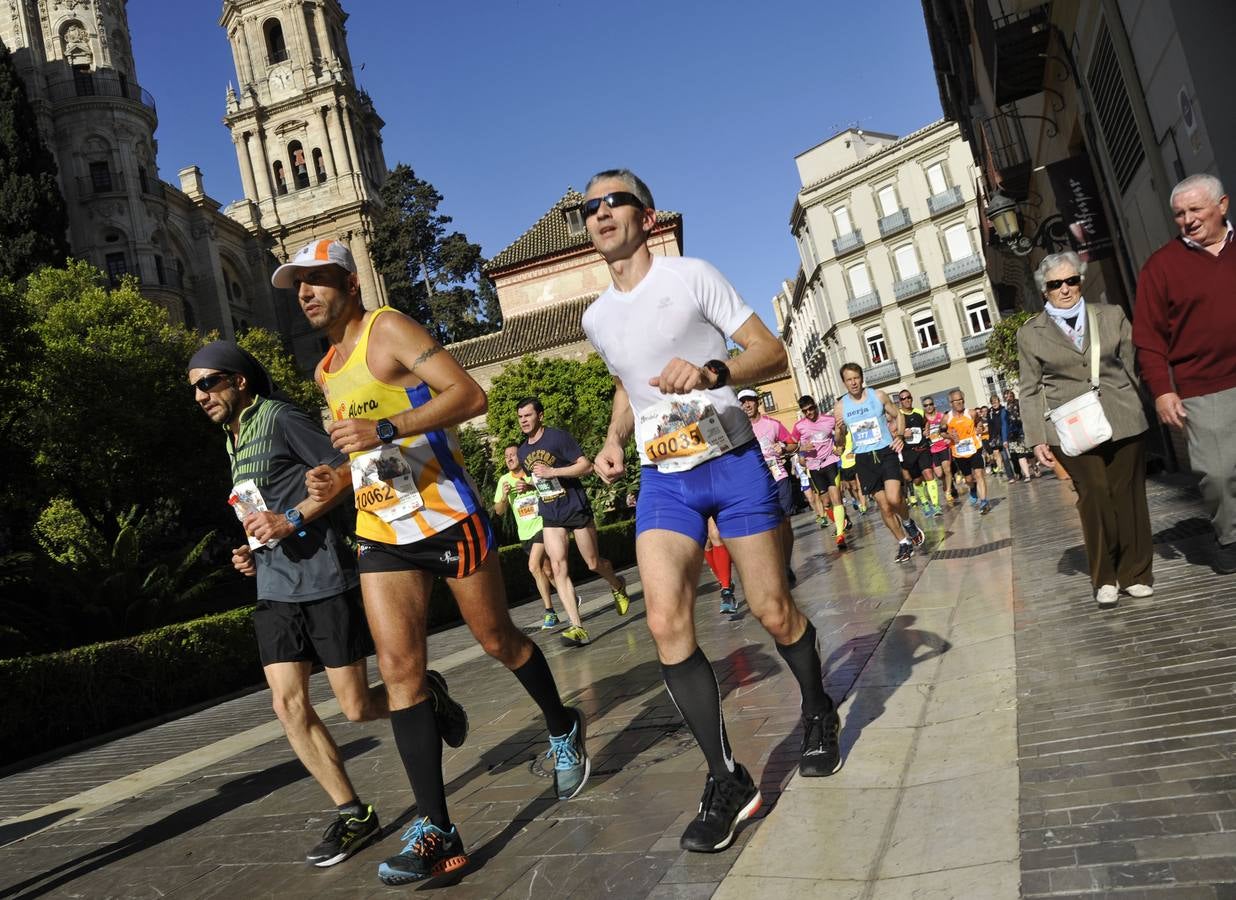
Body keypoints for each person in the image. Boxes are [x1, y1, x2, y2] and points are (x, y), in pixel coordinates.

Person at [274, 239, 589, 885]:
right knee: (399, 671)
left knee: (498, 641)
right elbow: (365, 457)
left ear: (349, 283)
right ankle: (439, 833)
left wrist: (388, 428)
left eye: (317, 279)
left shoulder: (387, 328)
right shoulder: (325, 370)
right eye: (297, 284)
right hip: (380, 528)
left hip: (446, 517)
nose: (304, 292)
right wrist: (334, 481)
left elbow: (469, 396)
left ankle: (563, 726)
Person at [579, 168, 842, 854]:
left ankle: (818, 709)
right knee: (665, 621)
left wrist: (710, 372)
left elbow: (769, 350)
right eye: (590, 207)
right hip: (664, 478)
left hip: (730, 462)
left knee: (772, 609)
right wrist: (613, 438)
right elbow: (626, 383)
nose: (600, 213)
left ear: (646, 216)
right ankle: (727, 779)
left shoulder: (692, 276)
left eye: (614, 201)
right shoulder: (595, 317)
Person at [188, 340, 406, 868]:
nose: (199, 396)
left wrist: (291, 521)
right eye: (193, 389)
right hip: (274, 587)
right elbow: (262, 508)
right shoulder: (232, 440)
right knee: (286, 705)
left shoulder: (281, 418)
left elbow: (348, 469)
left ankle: (427, 694)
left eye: (208, 383)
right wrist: (253, 546)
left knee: (357, 708)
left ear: (239, 381)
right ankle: (353, 813)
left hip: (323, 578)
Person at [1021, 250, 1153, 608]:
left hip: (1122, 416)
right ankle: (1105, 577)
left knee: (1128, 496)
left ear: (1080, 281)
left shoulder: (1111, 315)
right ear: (1044, 290)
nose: (1065, 289)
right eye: (1055, 284)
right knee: (1094, 493)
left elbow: (1133, 363)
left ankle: (1135, 573)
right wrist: (1036, 438)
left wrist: (1143, 403)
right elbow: (1029, 388)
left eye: (1071, 280)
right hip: (1071, 426)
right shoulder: (1030, 333)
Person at [1132, 173, 1236, 574]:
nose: (1188, 220)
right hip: (1203, 388)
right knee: (1218, 474)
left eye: (1196, 209)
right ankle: (1229, 537)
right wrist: (1162, 390)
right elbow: (1148, 339)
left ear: (1222, 205)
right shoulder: (1160, 267)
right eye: (1179, 214)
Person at [515, 397, 632, 646]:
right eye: (520, 417)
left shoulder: (558, 438)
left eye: (528, 415)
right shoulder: (523, 450)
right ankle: (577, 627)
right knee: (558, 567)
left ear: (540, 416)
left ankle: (617, 584)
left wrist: (554, 471)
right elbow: (540, 480)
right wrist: (529, 485)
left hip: (574, 506)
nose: (523, 420)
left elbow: (586, 466)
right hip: (550, 513)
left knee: (593, 563)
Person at [832, 363, 925, 563]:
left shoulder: (878, 396)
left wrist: (900, 436)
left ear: (861, 378)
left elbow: (898, 415)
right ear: (844, 382)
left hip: (885, 452)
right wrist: (839, 431)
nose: (853, 383)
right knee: (884, 506)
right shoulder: (840, 407)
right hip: (864, 459)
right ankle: (903, 543)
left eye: (856, 378)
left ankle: (907, 522)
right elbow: (840, 442)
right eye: (849, 380)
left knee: (894, 499)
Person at [738, 388, 800, 584]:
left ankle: (786, 564)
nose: (747, 405)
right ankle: (773, 566)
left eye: (750, 400)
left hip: (778, 477)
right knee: (764, 525)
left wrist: (783, 447)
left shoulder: (773, 424)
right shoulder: (738, 430)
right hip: (755, 482)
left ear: (758, 402)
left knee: (785, 522)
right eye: (742, 402)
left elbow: (792, 443)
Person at [492, 445, 558, 630]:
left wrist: (530, 485)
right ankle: (568, 594)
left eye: (513, 455)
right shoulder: (504, 480)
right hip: (525, 533)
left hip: (543, 525)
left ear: (521, 456)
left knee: (533, 565)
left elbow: (552, 489)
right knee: (547, 570)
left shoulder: (533, 473)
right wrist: (504, 496)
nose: (509, 458)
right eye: (506, 456)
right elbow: (499, 511)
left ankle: (550, 612)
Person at [792, 394, 847, 547]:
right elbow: (792, 445)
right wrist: (801, 450)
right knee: (826, 502)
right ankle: (842, 521)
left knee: (836, 498)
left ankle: (840, 535)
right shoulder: (799, 426)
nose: (809, 413)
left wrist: (841, 444)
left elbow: (842, 435)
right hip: (813, 466)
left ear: (815, 406)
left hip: (830, 462)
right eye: (805, 411)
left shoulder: (829, 420)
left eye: (811, 409)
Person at [895, 389, 942, 518]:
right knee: (916, 480)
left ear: (911, 398)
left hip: (922, 449)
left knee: (929, 473)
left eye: (908, 397)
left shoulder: (919, 412)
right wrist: (902, 434)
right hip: (908, 452)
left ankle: (936, 505)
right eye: (903, 398)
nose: (906, 400)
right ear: (900, 401)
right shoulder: (898, 416)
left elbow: (926, 423)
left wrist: (926, 431)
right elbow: (891, 432)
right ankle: (925, 503)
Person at [944, 390, 990, 515]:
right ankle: (973, 489)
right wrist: (950, 436)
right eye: (956, 401)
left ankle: (984, 501)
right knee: (969, 479)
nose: (960, 403)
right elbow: (941, 432)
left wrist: (979, 426)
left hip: (975, 448)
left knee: (979, 474)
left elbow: (979, 421)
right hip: (959, 452)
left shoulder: (971, 413)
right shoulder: (947, 418)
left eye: (961, 400)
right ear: (951, 403)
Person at [923, 396, 956, 505]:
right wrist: (924, 434)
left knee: (947, 470)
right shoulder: (923, 420)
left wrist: (949, 438)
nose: (928, 407)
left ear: (934, 405)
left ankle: (948, 492)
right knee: (939, 474)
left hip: (943, 447)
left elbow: (950, 427)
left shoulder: (941, 416)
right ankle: (949, 485)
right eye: (926, 405)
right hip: (932, 450)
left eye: (930, 404)